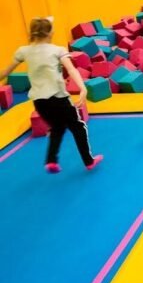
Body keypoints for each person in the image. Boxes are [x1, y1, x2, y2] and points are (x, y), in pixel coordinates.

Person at [0, 17, 103, 173]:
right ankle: (89, 161)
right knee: (78, 127)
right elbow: (72, 69)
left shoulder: (24, 51)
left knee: (57, 127)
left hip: (39, 101)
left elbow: (5, 72)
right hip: (58, 98)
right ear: (50, 33)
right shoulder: (57, 50)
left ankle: (51, 161)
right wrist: (83, 88)